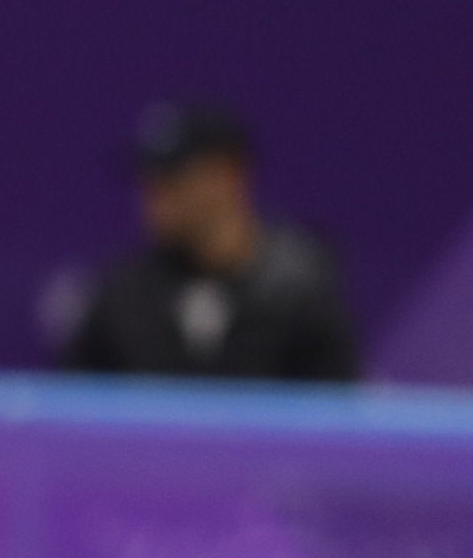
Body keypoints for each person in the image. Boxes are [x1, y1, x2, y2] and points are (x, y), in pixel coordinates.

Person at [61, 102, 361, 382]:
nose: (152, 198)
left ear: (228, 176)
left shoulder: (299, 292)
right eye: (147, 181)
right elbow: (74, 408)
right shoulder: (123, 294)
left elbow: (335, 417)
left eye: (172, 178)